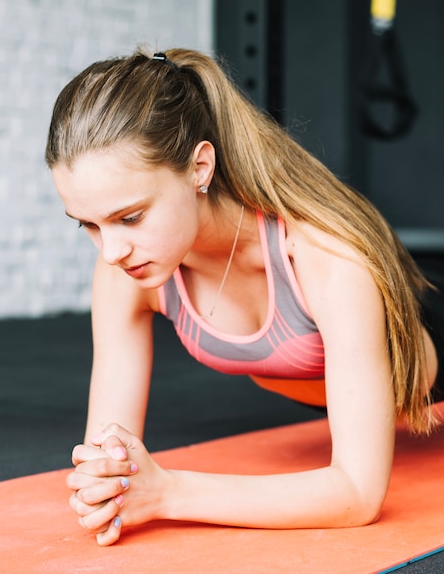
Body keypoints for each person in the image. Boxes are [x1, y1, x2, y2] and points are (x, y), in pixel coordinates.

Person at [45, 47, 444, 546]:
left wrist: (168, 493)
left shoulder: (323, 258)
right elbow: (109, 456)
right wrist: (103, 487)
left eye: (130, 217)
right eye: (89, 225)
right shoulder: (123, 271)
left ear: (200, 168)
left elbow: (358, 494)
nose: (111, 251)